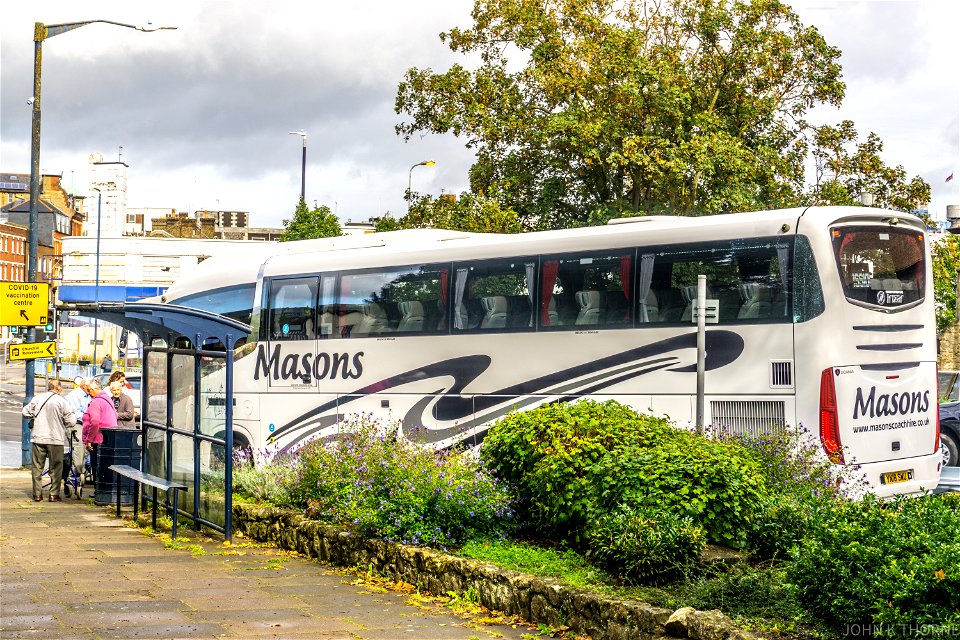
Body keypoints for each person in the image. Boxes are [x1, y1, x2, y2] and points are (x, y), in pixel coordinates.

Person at [22, 380, 74, 501]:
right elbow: (71, 422)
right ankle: (53, 494)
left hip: (38, 437)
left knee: (37, 467)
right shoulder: (62, 401)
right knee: (56, 467)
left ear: (48, 388)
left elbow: (25, 412)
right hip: (55, 439)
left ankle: (37, 494)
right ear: (59, 389)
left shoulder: (37, 398)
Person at [82, 378, 118, 482]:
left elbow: (95, 422)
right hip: (109, 438)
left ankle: (98, 491)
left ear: (94, 389)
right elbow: (115, 415)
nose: (88, 393)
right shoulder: (107, 399)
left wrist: (89, 440)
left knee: (97, 466)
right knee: (105, 466)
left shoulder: (96, 402)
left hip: (98, 440)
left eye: (89, 390)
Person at [63, 376, 92, 495]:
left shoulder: (87, 396)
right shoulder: (75, 395)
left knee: (85, 451)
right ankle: (73, 475)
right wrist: (89, 416)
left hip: (85, 425)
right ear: (84, 386)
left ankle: (79, 473)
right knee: (78, 450)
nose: (90, 390)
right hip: (76, 425)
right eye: (89, 387)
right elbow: (76, 413)